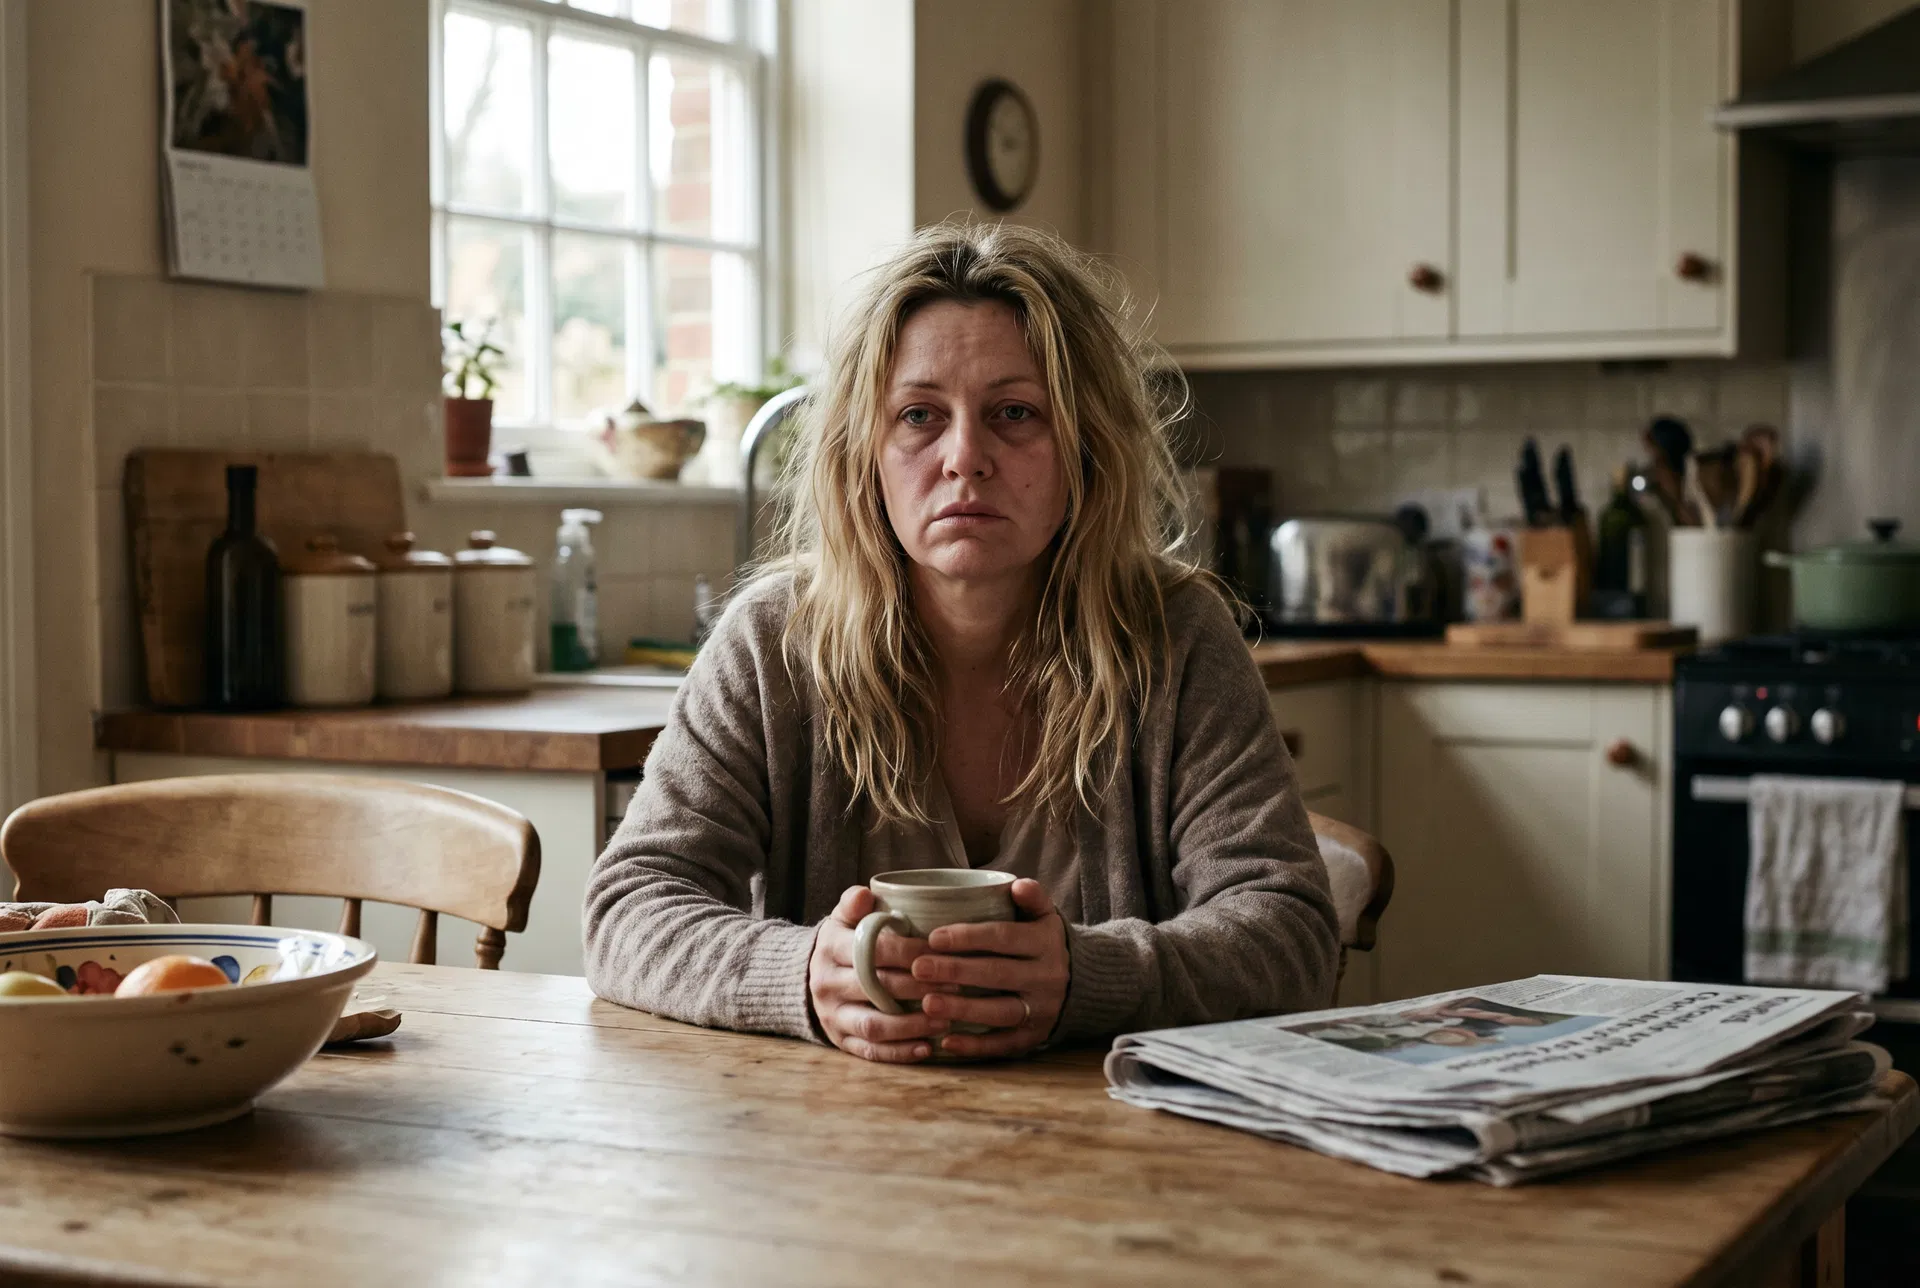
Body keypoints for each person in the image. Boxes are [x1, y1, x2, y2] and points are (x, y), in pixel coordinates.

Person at [584, 222, 1338, 1063]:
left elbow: (1292, 934)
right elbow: (628, 909)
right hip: (826, 1133)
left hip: (1115, 1134)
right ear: (864, 451)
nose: (966, 458)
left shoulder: (1178, 640)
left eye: (1015, 414)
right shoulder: (773, 643)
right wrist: (801, 975)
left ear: (1084, 445)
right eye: (919, 415)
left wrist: (1090, 976)